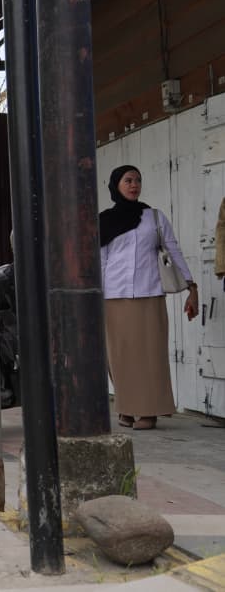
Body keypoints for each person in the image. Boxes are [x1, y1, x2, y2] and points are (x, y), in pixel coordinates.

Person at [99, 164, 197, 430]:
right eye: (128, 180)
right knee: (118, 355)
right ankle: (127, 407)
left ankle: (148, 411)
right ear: (116, 185)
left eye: (138, 180)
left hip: (149, 294)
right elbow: (101, 260)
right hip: (114, 296)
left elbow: (173, 250)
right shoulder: (105, 220)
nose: (134, 185)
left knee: (150, 355)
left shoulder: (153, 217)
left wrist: (191, 286)